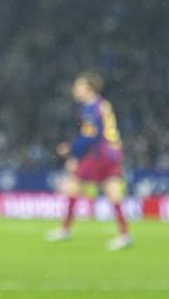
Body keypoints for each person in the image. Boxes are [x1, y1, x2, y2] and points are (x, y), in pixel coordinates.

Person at [46, 72, 134, 250]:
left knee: (72, 185)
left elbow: (89, 136)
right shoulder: (103, 104)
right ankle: (125, 234)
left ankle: (65, 229)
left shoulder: (91, 108)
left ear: (88, 89)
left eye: (79, 86)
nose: (75, 89)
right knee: (113, 192)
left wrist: (73, 154)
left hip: (100, 154)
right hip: (113, 153)